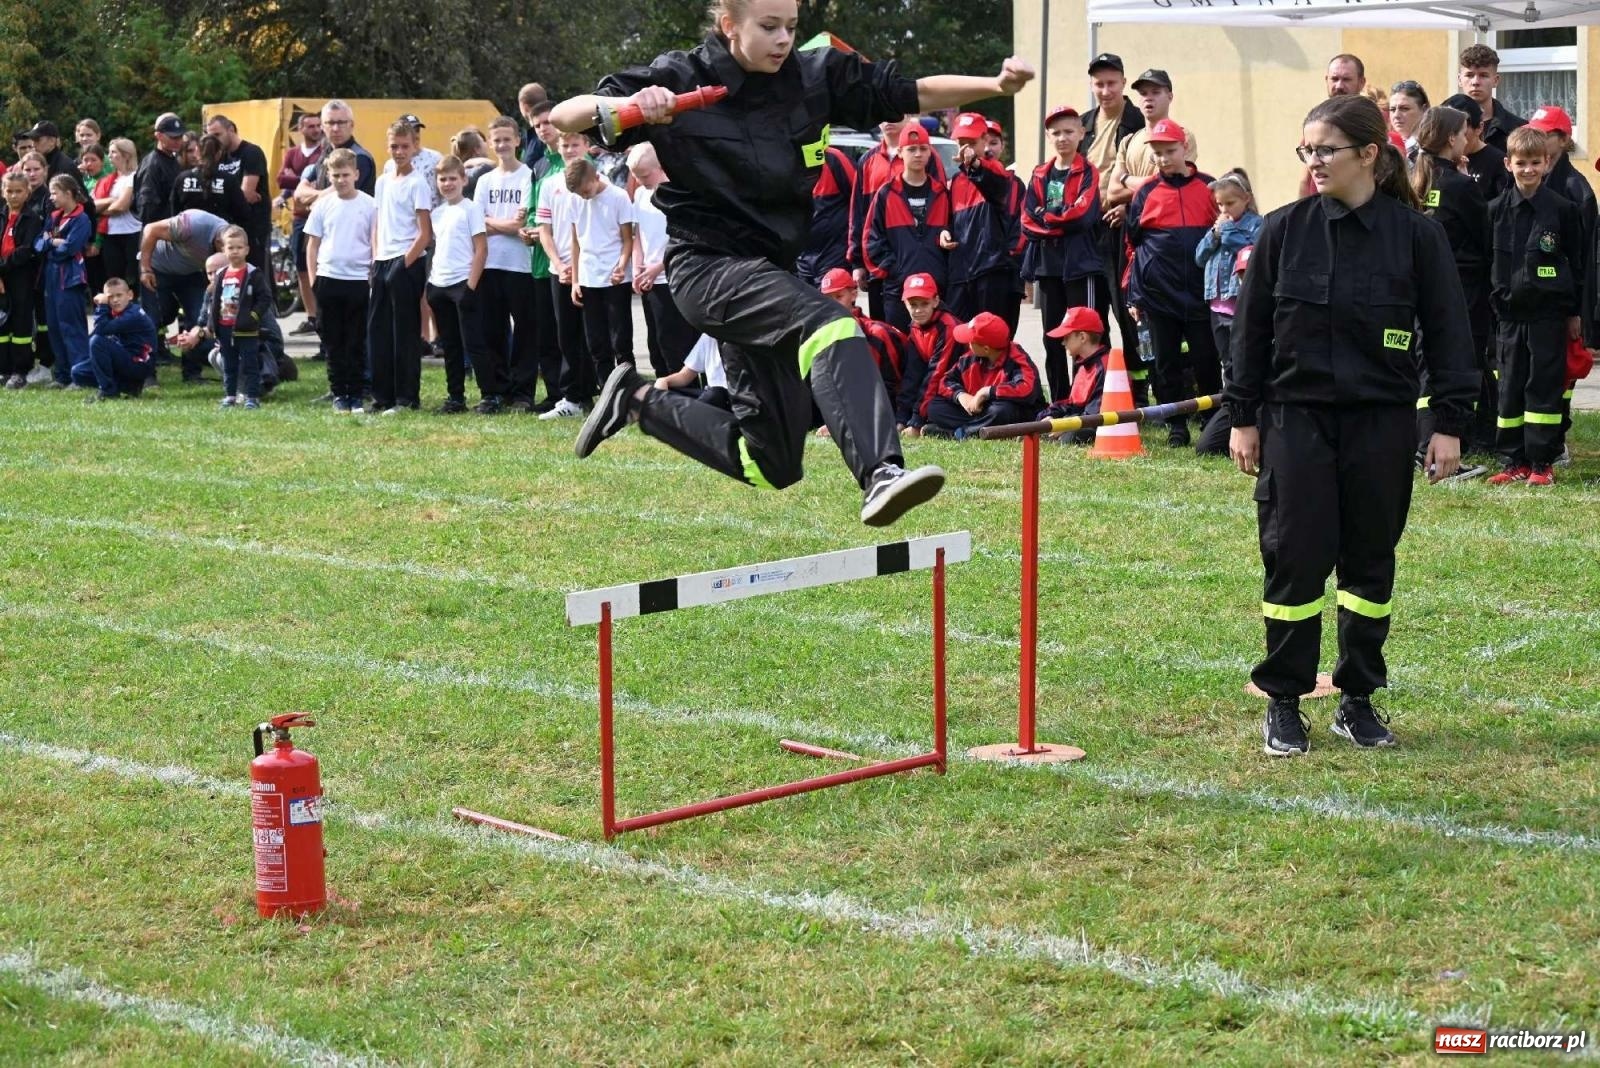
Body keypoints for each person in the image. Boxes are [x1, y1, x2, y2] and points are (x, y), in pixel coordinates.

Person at [552, 0, 1033, 523]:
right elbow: (566, 117)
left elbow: (910, 90)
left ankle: (637, 401)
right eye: (769, 27)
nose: (784, 39)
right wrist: (637, 105)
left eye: (791, 27)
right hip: (707, 268)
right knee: (831, 324)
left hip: (770, 274)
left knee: (770, 463)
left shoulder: (816, 77)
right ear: (729, 25)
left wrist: (995, 84)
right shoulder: (681, 77)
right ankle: (880, 474)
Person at [1227, 93, 1478, 757]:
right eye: (1307, 150)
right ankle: (1284, 700)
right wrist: (1243, 418)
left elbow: (1451, 334)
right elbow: (1249, 332)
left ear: (1369, 154)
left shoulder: (1416, 234)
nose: (1314, 162)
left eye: (1327, 150)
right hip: (1296, 420)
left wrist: (1448, 425)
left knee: (1369, 564)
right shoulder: (1283, 229)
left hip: (1380, 424)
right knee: (1296, 561)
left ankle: (1357, 697)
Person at [1484, 126, 1586, 487]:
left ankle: (1542, 462)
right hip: (1508, 318)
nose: (1527, 169)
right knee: (1509, 387)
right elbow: (1485, 266)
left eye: (1535, 163)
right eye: (1521, 163)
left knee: (1542, 387)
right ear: (1508, 164)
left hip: (1548, 317)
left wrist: (1575, 314)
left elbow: (1577, 263)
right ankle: (1513, 461)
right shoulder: (1494, 212)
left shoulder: (1562, 210)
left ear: (1546, 164)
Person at [1125, 118, 1218, 446]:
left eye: (1170, 150)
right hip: (1158, 296)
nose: (1164, 158)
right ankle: (1175, 424)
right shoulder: (1145, 192)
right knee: (1164, 363)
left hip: (1200, 293)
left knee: (1207, 359)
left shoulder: (1210, 187)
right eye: (1158, 153)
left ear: (1185, 149)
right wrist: (1134, 295)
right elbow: (1134, 247)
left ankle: (1211, 420)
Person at [1409, 106, 1492, 474]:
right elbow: (1484, 238)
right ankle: (1438, 453)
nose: (1467, 138)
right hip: (1463, 290)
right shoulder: (1461, 186)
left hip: (1420, 289)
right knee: (1455, 365)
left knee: (1426, 364)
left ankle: (1423, 444)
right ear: (1449, 139)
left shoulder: (1417, 179)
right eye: (1462, 133)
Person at [1106, 69, 1196, 393]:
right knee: (1130, 314)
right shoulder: (1129, 140)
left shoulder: (1183, 134)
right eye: (1143, 92)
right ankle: (1144, 387)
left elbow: (1173, 184)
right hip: (1132, 239)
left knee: (1175, 322)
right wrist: (1135, 194)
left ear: (1170, 96)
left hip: (1167, 242)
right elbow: (1111, 192)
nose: (1148, 98)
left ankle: (1184, 390)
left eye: (1156, 91)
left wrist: (1131, 193)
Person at [1022, 104, 1105, 401]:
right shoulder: (1040, 174)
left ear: (1082, 133)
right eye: (1056, 133)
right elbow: (1028, 220)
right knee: (1053, 338)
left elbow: (1084, 216)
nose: (1062, 138)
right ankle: (1060, 401)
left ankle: (1089, 400)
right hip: (1048, 266)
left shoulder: (1088, 172)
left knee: (1086, 336)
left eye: (1069, 131)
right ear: (1048, 136)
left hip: (1081, 265)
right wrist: (1059, 219)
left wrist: (1050, 216)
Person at [473, 115, 539, 412]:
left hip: (520, 265)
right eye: (496, 140)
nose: (501, 144)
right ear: (489, 143)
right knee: (491, 330)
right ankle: (495, 391)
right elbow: (476, 222)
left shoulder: (528, 176)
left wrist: (494, 223)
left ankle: (522, 393)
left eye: (506, 139)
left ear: (517, 141)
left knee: (525, 330)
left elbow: (520, 223)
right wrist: (505, 225)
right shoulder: (484, 180)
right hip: (489, 263)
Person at [303, 148, 376, 413]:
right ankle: (338, 393)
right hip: (328, 278)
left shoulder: (369, 204)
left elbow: (373, 241)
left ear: (356, 174)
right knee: (333, 341)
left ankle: (356, 394)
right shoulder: (323, 204)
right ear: (328, 176)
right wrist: (314, 280)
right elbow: (312, 245)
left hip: (358, 280)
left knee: (355, 341)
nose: (341, 180)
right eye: (335, 175)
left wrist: (371, 276)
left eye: (345, 174)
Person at [368, 120, 433, 413]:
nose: (399, 152)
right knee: (379, 331)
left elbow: (424, 233)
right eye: (394, 146)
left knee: (404, 333)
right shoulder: (383, 180)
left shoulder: (418, 182)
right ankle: (382, 396)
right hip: (382, 259)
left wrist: (402, 263)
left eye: (405, 146)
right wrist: (375, 257)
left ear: (414, 147)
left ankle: (407, 398)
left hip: (407, 261)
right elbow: (379, 221)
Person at [863, 123, 950, 333]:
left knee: (937, 353)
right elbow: (870, 241)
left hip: (936, 293)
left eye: (923, 148)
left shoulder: (943, 193)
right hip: (898, 292)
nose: (918, 154)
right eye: (911, 149)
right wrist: (896, 271)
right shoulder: (886, 194)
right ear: (900, 153)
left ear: (930, 152)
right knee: (898, 351)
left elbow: (955, 234)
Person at [942, 111, 1024, 330]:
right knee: (958, 338)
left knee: (993, 340)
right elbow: (949, 219)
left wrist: (975, 164)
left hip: (992, 272)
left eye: (972, 142)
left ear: (984, 142)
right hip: (961, 274)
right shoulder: (955, 181)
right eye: (962, 142)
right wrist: (944, 231)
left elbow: (995, 185)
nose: (965, 147)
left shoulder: (996, 171)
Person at [534, 130, 595, 419]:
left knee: (595, 337)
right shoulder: (548, 184)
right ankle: (572, 397)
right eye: (565, 145)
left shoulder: (598, 181)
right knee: (566, 335)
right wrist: (559, 265)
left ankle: (598, 393)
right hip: (561, 270)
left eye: (575, 144)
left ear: (586, 146)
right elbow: (544, 230)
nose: (570, 150)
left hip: (593, 270)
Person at [427, 155, 488, 414]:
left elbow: (481, 249)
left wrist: (470, 287)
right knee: (449, 345)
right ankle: (455, 396)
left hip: (462, 283)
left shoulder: (471, 208)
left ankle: (490, 395)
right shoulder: (437, 214)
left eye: (453, 178)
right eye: (443, 179)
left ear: (463, 179)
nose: (448, 184)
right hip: (438, 283)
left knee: (474, 343)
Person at [629, 142, 697, 377]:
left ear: (660, 166)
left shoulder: (677, 193)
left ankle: (685, 395)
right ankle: (663, 393)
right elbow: (638, 235)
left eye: (644, 175)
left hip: (673, 277)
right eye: (635, 176)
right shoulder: (640, 193)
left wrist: (657, 267)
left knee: (676, 343)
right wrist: (637, 267)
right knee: (656, 342)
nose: (639, 181)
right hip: (649, 279)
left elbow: (684, 237)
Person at [566, 158, 635, 387]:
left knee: (621, 340)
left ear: (596, 178)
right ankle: (606, 391)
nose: (584, 197)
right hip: (588, 276)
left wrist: (621, 266)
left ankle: (629, 391)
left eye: (586, 191)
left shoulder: (618, 197)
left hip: (615, 279)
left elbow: (627, 240)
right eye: (579, 194)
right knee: (596, 341)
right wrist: (575, 281)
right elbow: (575, 242)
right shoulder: (575, 200)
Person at [921, 310, 1041, 438]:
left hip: (1006, 410)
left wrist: (987, 392)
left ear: (986, 349)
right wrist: (961, 396)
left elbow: (1028, 388)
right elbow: (946, 381)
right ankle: (976, 429)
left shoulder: (1016, 357)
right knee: (934, 408)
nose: (967, 343)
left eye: (971, 341)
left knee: (1001, 411)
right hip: (978, 410)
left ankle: (959, 433)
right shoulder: (970, 358)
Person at [1193, 169, 1260, 388]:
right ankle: (1231, 400)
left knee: (1244, 357)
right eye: (1220, 205)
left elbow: (1249, 252)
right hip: (1216, 306)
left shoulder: (1255, 225)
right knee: (1226, 359)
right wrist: (1214, 234)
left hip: (1240, 303)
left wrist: (1227, 230)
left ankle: (1246, 398)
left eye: (1230, 204)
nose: (1224, 210)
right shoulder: (1218, 227)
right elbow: (1199, 257)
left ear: (1246, 199)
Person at [520, 100, 566, 409]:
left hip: (569, 258)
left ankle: (575, 390)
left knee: (569, 333)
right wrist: (528, 228)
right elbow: (535, 211)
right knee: (546, 332)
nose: (544, 129)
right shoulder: (538, 166)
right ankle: (553, 393)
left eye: (548, 122)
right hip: (540, 260)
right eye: (538, 126)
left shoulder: (573, 160)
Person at [200, 225, 271, 408]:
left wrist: (253, 316)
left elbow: (264, 298)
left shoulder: (253, 274)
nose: (235, 252)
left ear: (246, 250)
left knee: (249, 364)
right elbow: (214, 302)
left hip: (246, 328)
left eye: (239, 248)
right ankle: (230, 395)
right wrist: (211, 324)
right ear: (223, 250)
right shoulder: (222, 274)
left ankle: (251, 397)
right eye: (230, 248)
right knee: (228, 364)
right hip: (224, 327)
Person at [819, 267, 905, 401]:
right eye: (828, 299)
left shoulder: (878, 334)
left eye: (839, 297)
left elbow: (894, 386)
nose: (832, 304)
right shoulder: (822, 337)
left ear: (854, 295)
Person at [40, 175, 93, 388]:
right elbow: (38, 243)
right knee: (54, 326)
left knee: (71, 326)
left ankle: (80, 375)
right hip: (51, 277)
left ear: (68, 193)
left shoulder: (82, 219)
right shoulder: (54, 217)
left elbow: (70, 249)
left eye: (55, 193)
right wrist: (53, 242)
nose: (51, 197)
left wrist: (50, 245)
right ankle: (62, 375)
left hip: (69, 277)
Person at [277, 112, 326, 337]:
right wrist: (303, 182)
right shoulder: (293, 153)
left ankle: (324, 313)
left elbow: (291, 180)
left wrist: (295, 179)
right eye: (311, 126)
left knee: (322, 264)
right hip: (300, 216)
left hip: (321, 215)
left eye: (318, 125)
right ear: (300, 129)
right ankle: (311, 316)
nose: (316, 129)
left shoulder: (324, 152)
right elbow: (282, 180)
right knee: (302, 266)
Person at [897, 272, 964, 433]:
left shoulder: (948, 328)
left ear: (935, 301)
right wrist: (902, 417)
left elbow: (936, 375)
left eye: (924, 304)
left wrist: (916, 421)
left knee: (934, 408)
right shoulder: (915, 327)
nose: (918, 310)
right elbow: (912, 375)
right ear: (905, 303)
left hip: (959, 388)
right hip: (942, 387)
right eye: (913, 305)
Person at [205, 115, 272, 273]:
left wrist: (226, 196)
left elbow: (247, 195)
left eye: (217, 135)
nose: (214, 141)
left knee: (256, 273)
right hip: (227, 228)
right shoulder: (218, 156)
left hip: (253, 226)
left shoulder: (251, 152)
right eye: (210, 136)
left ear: (231, 130)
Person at [1041, 306, 1112, 442]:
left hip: (1101, 425)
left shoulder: (1104, 366)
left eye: (1066, 337)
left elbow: (1094, 416)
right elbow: (1073, 404)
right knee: (1043, 426)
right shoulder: (1084, 364)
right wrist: (1052, 414)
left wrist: (1065, 424)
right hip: (1083, 419)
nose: (1063, 342)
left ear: (1082, 337)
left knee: (1070, 437)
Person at [78, 275, 157, 400]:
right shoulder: (115, 313)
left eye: (119, 295)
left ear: (130, 295)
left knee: (97, 342)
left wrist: (103, 306)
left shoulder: (133, 315)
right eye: (110, 297)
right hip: (124, 359)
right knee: (78, 372)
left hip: (139, 364)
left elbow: (101, 331)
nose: (115, 300)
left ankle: (109, 392)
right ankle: (127, 387)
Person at [0, 172, 42, 388]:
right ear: (2, 191)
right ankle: (3, 368)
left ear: (27, 193)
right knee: (2, 323)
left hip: (21, 277)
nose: (13, 196)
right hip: (1, 277)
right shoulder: (1, 214)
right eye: (9, 191)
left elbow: (25, 251)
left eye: (18, 191)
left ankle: (20, 369)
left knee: (21, 323)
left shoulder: (33, 218)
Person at [795, 144, 857, 287]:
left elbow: (861, 202)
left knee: (834, 306)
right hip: (801, 257)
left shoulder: (834, 158)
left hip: (834, 254)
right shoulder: (785, 160)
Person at [1440, 94, 1509, 205]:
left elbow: (1502, 208)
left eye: (1461, 132)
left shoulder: (1498, 162)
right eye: (1447, 132)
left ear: (1479, 128)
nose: (1452, 140)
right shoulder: (1439, 160)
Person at [1457, 44, 1525, 154]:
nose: (1475, 82)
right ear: (1459, 80)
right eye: (1469, 75)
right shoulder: (1443, 126)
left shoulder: (1518, 129)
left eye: (1483, 75)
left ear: (1496, 80)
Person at [170, 134, 247, 223]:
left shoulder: (182, 179)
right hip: (220, 233)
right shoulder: (228, 180)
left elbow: (174, 213)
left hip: (188, 233)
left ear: (196, 152)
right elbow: (243, 213)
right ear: (219, 154)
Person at [95, 139, 140, 290]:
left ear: (126, 155)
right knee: (113, 276)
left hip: (131, 233)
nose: (109, 156)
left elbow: (121, 206)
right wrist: (112, 200)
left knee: (132, 278)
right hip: (111, 233)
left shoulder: (134, 176)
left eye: (114, 152)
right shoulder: (109, 180)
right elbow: (92, 206)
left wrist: (103, 210)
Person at [135, 115, 186, 228]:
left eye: (180, 136)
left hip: (175, 227)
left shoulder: (173, 160)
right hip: (159, 230)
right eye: (173, 137)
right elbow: (147, 205)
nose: (178, 141)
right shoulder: (152, 164)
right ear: (159, 136)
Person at [1387, 81, 1428, 159]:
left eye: (1405, 108)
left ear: (1424, 109)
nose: (1396, 115)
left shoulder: (1435, 147)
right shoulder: (1386, 144)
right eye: (1392, 109)